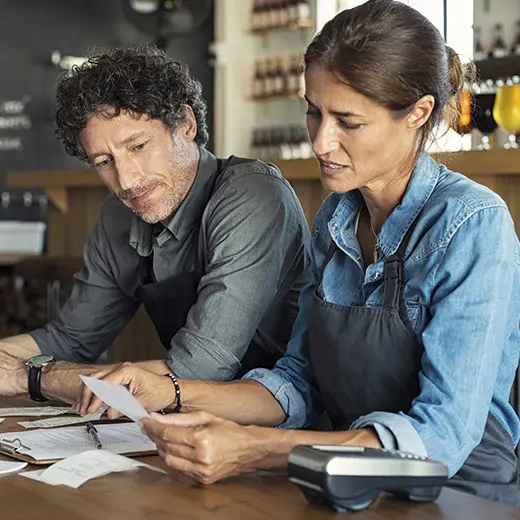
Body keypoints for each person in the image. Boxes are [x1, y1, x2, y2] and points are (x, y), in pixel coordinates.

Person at [76, 0, 520, 505]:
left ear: (417, 113)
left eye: (347, 121)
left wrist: (260, 449)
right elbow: (298, 380)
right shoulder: (336, 218)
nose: (322, 141)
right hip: (343, 480)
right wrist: (172, 392)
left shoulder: (472, 223)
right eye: (314, 112)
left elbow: (443, 434)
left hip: (456, 495)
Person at [0, 45, 311, 404]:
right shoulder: (119, 215)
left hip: (285, 422)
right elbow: (71, 336)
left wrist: (28, 377)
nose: (126, 180)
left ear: (186, 125)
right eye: (104, 162)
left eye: (138, 146)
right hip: (191, 424)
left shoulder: (252, 195)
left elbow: (198, 369)